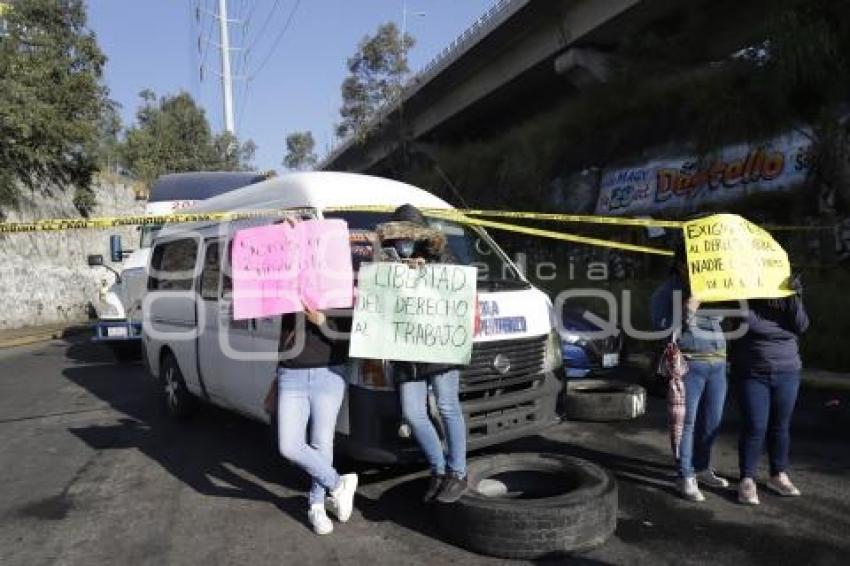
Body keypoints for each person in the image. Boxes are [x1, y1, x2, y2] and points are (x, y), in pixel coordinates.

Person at [378, 204, 469, 503]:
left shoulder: (440, 252)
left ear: (421, 233)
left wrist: (428, 270)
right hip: (407, 350)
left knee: (446, 406)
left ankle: (458, 472)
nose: (403, 238)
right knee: (413, 413)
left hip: (439, 345)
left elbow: (458, 289)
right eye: (398, 232)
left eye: (408, 232)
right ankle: (439, 469)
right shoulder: (387, 255)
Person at [266, 252, 357, 534]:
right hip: (291, 373)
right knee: (289, 446)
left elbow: (349, 337)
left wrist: (321, 321)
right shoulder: (285, 282)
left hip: (329, 373)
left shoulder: (343, 285)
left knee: (322, 444)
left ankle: (316, 506)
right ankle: (339, 483)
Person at [650, 241, 729, 502]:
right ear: (682, 264)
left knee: (713, 421)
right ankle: (685, 475)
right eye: (694, 263)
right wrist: (689, 309)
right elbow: (662, 329)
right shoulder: (666, 291)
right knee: (686, 423)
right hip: (690, 365)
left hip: (718, 362)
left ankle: (703, 467)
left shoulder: (712, 285)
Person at [731, 275, 809, 505]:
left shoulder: (789, 294)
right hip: (752, 372)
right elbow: (749, 323)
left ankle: (778, 475)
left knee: (780, 426)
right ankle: (747, 479)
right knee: (755, 425)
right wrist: (783, 328)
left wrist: (794, 296)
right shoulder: (745, 292)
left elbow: (802, 324)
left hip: (788, 370)